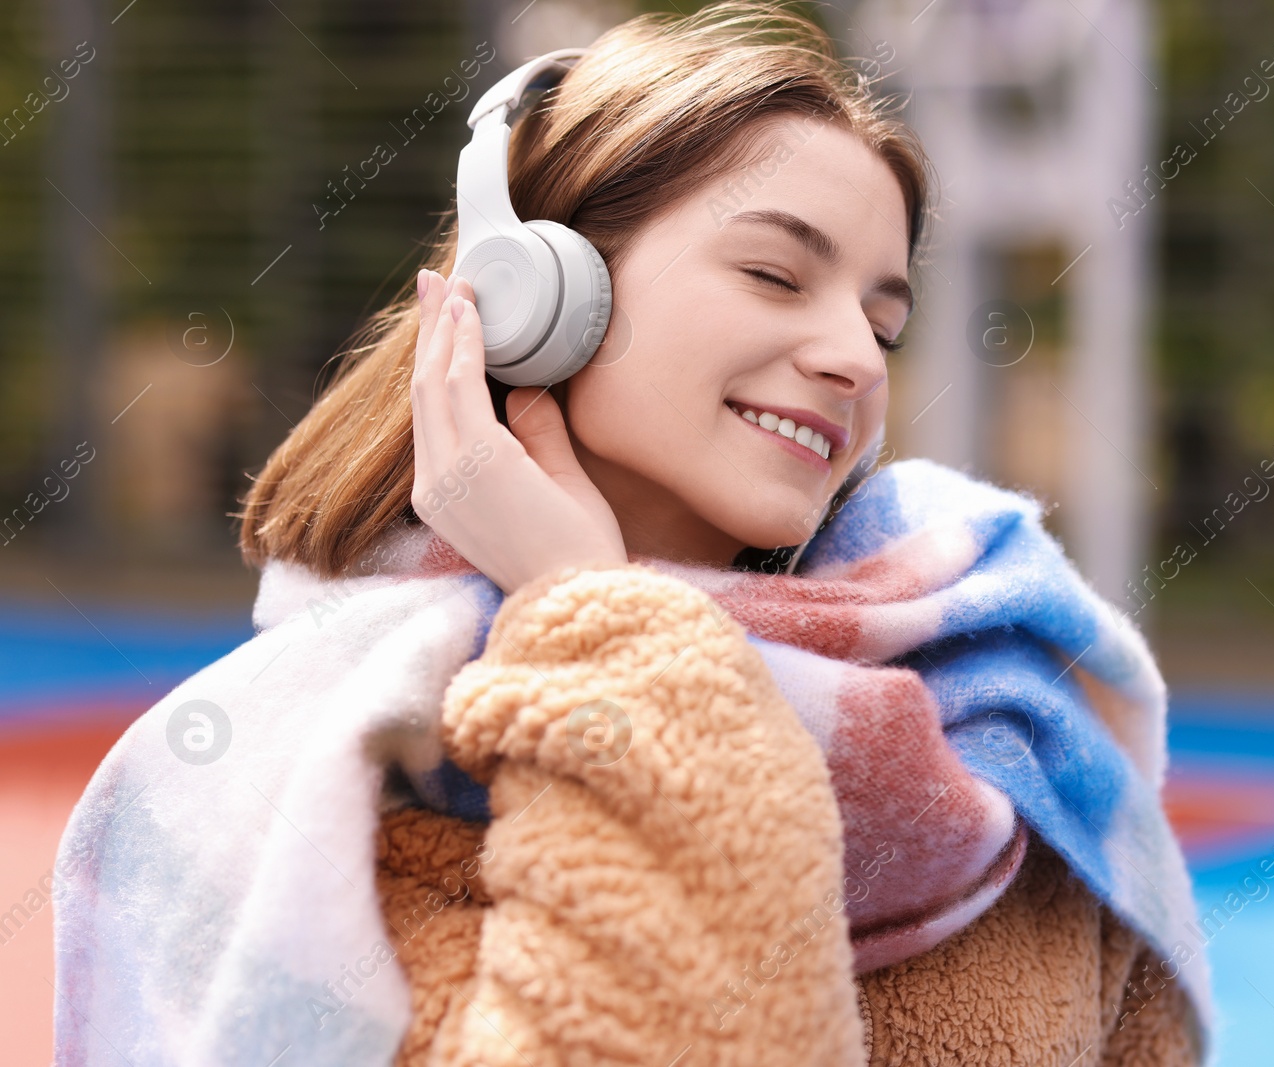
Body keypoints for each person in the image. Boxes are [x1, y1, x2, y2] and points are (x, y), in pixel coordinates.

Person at [52, 4, 1210, 1065]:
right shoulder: (345, 777)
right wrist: (591, 608)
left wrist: (593, 611)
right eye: (774, 272)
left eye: (881, 320)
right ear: (537, 289)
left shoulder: (1004, 697)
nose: (856, 357)